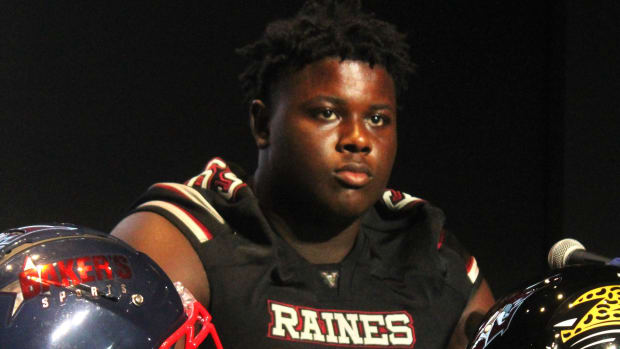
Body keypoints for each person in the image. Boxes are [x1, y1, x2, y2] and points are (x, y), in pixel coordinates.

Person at [112, 1, 495, 348]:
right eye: (328, 113)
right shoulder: (189, 236)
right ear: (263, 125)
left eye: (378, 119)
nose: (359, 139)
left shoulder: (427, 252)